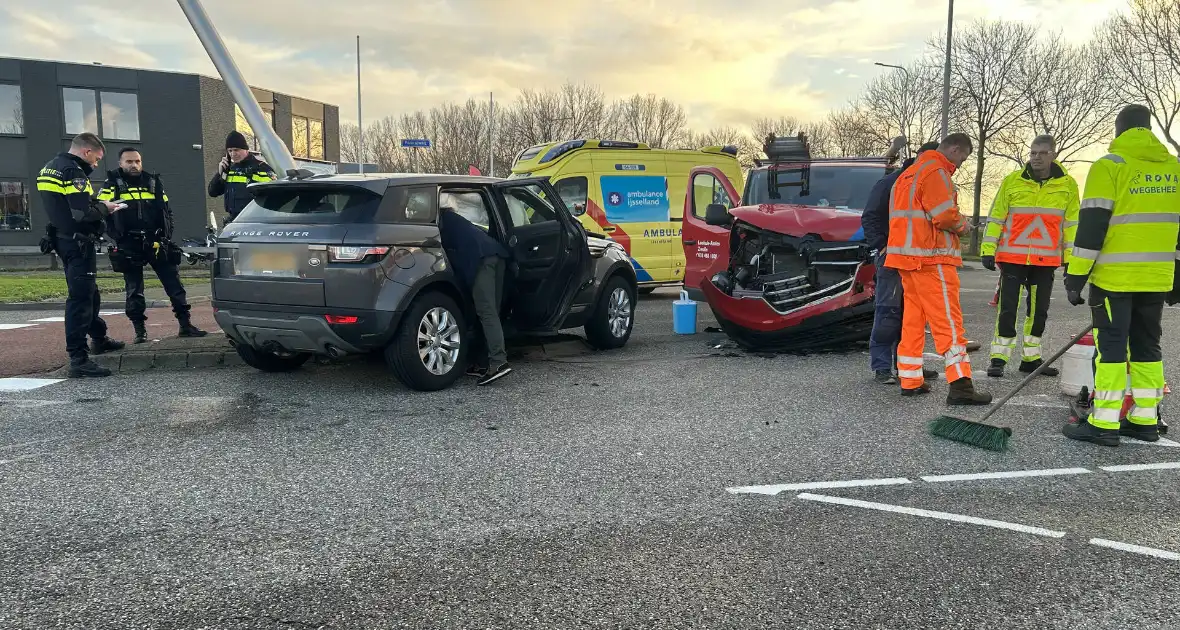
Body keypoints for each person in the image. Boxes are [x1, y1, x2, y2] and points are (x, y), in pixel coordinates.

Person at [1062, 104, 1180, 446]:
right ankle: (1144, 417)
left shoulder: (1110, 166)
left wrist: (1076, 276)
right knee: (1148, 346)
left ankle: (1103, 422)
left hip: (1115, 278)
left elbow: (1092, 226)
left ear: (1118, 130)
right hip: (1156, 276)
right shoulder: (1174, 168)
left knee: (1111, 347)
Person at [885, 133, 992, 405]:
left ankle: (910, 380)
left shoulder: (907, 175)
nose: (962, 164)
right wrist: (963, 226)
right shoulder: (936, 172)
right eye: (963, 158)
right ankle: (961, 386)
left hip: (907, 260)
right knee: (949, 325)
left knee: (913, 321)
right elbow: (944, 215)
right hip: (932, 260)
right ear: (955, 149)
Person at [980, 134, 1080, 378]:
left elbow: (1072, 225)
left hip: (1045, 261)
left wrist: (1071, 259)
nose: (1036, 157)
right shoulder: (1012, 181)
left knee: (1039, 312)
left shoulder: (1068, 186)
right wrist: (988, 249)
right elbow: (996, 217)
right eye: (1033, 152)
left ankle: (1031, 358)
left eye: (1042, 153)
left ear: (1053, 155)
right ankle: (998, 358)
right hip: (1012, 258)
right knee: (1007, 310)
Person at [36, 133, 127, 378]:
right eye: (96, 159)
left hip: (63, 240)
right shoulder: (73, 171)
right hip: (77, 244)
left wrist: (94, 204)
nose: (96, 165)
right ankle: (79, 358)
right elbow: (81, 214)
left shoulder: (51, 167)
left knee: (90, 294)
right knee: (80, 300)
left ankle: (99, 337)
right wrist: (105, 207)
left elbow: (65, 207)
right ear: (86, 152)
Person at [98, 148, 208, 344]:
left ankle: (185, 325)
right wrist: (117, 238)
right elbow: (101, 213)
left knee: (174, 284)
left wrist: (166, 235)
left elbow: (167, 211)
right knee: (134, 290)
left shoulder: (153, 182)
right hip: (129, 244)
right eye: (129, 162)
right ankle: (140, 332)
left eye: (137, 161)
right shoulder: (111, 184)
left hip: (156, 241)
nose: (134, 165)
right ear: (120, 163)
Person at [862, 141, 941, 384]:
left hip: (920, 262)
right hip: (893, 261)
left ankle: (909, 365)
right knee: (888, 312)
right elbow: (871, 217)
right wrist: (883, 246)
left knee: (914, 317)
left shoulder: (930, 185)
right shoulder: (890, 183)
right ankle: (883, 367)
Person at [437, 204, 513, 385]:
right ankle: (482, 362)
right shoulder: (455, 220)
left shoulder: (439, 224)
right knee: (491, 311)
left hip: (481, 260)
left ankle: (498, 362)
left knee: (486, 312)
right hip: (496, 254)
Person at [207, 131, 275, 224]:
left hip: (255, 222)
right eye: (230, 151)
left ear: (246, 149)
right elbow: (212, 192)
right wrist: (220, 173)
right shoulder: (229, 169)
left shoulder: (261, 168)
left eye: (236, 150)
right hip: (233, 222)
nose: (233, 154)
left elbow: (274, 197)